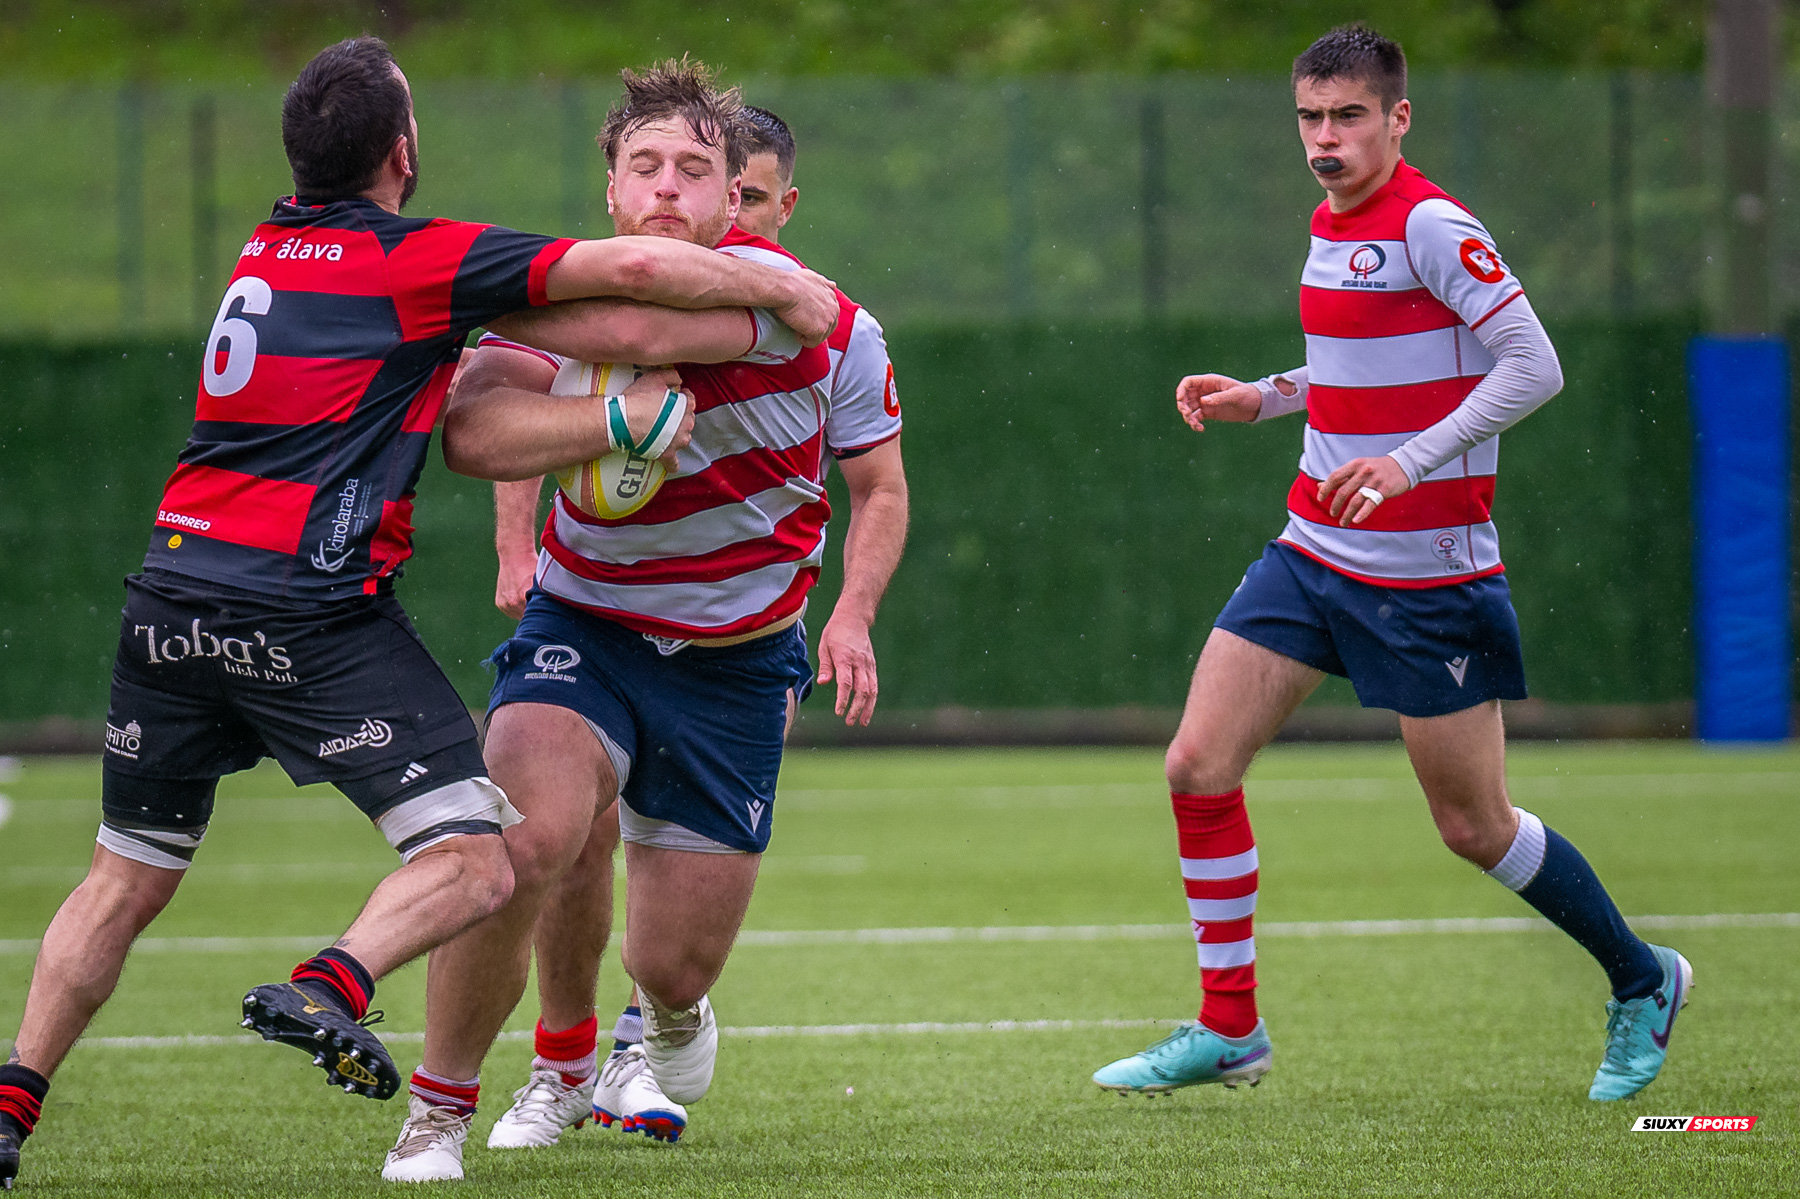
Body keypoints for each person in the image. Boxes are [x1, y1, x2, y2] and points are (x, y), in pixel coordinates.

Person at [0, 37, 837, 1194]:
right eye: (646, 166)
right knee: (483, 859)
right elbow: (633, 312)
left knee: (123, 875)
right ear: (404, 152)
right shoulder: (420, 259)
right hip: (306, 607)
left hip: (171, 598)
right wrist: (780, 297)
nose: (665, 187)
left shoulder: (265, 250)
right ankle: (336, 982)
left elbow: (588, 331)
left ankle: (12, 1099)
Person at [1090, 24, 1689, 1102]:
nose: (1325, 138)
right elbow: (1356, 363)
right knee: (1197, 764)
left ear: (1397, 117)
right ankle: (1231, 1025)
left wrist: (1410, 462)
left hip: (1428, 578)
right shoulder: (1330, 221)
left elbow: (1534, 365)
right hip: (1313, 550)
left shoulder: (1431, 223)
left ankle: (1644, 977)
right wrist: (1265, 395)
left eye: (1348, 117)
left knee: (1474, 826)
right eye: (1309, 118)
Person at [377, 62, 905, 1183]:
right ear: (612, 189)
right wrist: (606, 425)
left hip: (738, 660)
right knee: (524, 842)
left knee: (672, 962)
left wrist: (853, 614)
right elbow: (474, 427)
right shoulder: (560, 300)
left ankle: (662, 1017)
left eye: (695, 170)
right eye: (644, 165)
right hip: (588, 625)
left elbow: (882, 486)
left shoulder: (826, 321)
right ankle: (440, 1111)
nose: (668, 187)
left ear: (733, 196)